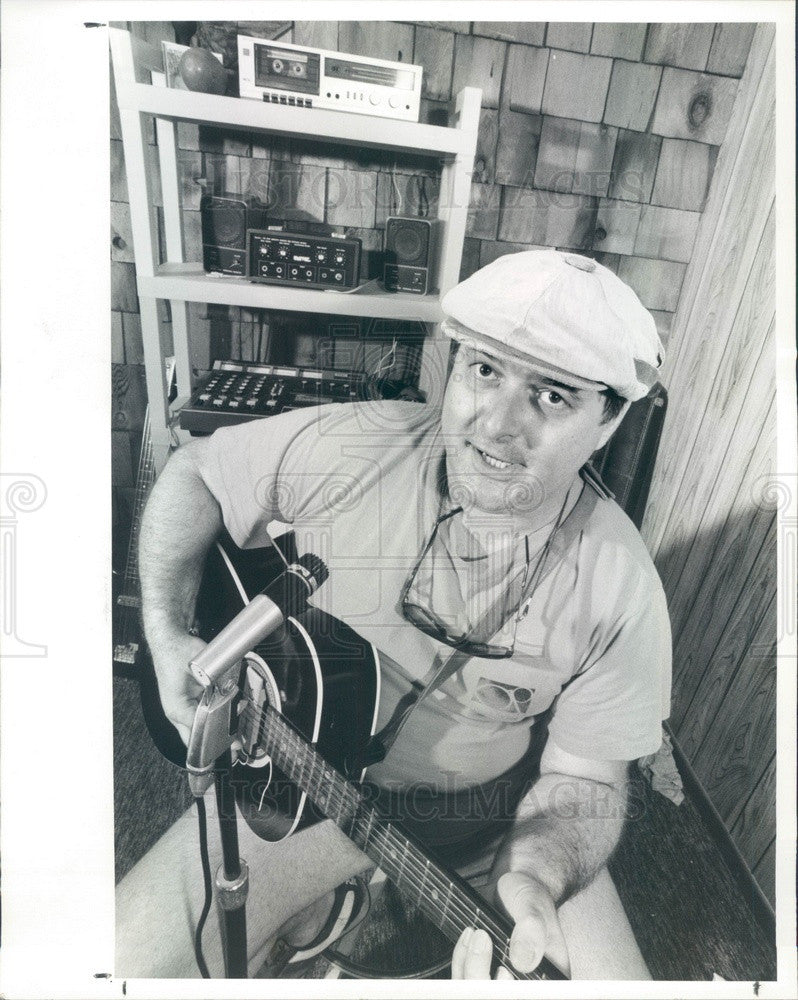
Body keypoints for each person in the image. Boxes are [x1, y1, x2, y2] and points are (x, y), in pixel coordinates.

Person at [119, 249, 671, 980]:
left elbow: (590, 781)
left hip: (503, 818)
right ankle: (328, 897)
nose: (497, 427)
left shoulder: (625, 585)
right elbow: (195, 474)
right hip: (316, 783)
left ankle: (330, 908)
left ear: (608, 421)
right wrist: (165, 636)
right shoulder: (354, 444)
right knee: (122, 962)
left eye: (552, 397)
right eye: (485, 371)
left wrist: (536, 878)